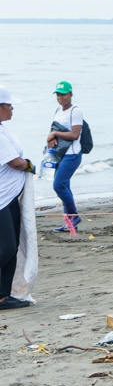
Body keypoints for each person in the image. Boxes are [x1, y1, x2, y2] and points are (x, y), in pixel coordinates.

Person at [0, 85, 34, 310]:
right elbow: (16, 162)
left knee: (11, 249)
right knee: (7, 247)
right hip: (1, 199)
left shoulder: (3, 129)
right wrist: (29, 165)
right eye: (9, 104)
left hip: (10, 197)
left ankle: (3, 296)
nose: (12, 108)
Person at [48, 81, 84, 232]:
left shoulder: (75, 111)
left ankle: (74, 216)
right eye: (58, 94)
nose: (60, 97)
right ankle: (69, 222)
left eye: (63, 94)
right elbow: (54, 129)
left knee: (58, 185)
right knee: (65, 186)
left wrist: (55, 134)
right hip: (61, 154)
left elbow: (75, 135)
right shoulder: (57, 110)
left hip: (72, 155)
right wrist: (52, 138)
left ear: (71, 94)